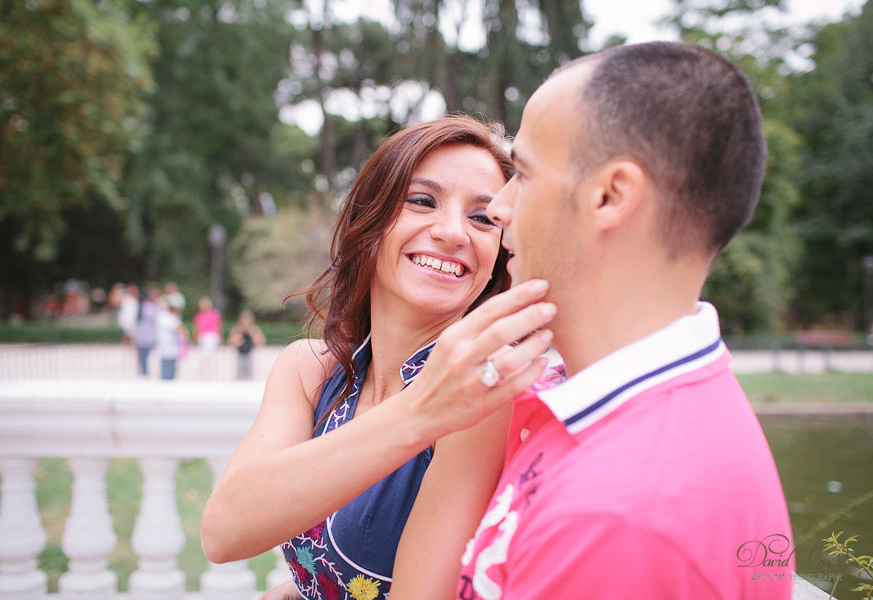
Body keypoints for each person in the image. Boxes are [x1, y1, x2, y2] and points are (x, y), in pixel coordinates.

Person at [456, 42, 793, 598]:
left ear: (611, 195)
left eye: (524, 173)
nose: (499, 206)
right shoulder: (617, 408)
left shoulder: (620, 517)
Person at [201, 116, 557, 600]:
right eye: (422, 200)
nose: (453, 232)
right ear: (369, 221)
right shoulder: (312, 369)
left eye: (482, 217)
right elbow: (224, 532)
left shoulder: (482, 398)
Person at [227, 310, 266, 380]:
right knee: (240, 370)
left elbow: (262, 340)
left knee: (249, 370)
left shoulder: (254, 329)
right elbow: (230, 340)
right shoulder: (237, 329)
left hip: (249, 352)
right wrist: (237, 340)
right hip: (240, 353)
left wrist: (253, 335)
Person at [132, 285, 161, 376]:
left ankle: (141, 368)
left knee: (141, 353)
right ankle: (144, 370)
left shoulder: (140, 306)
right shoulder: (149, 307)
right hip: (147, 333)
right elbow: (155, 318)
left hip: (141, 333)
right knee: (145, 353)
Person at [157, 301, 188, 380]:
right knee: (167, 364)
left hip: (172, 345)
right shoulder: (164, 317)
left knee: (172, 363)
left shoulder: (172, 317)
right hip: (166, 344)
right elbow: (177, 328)